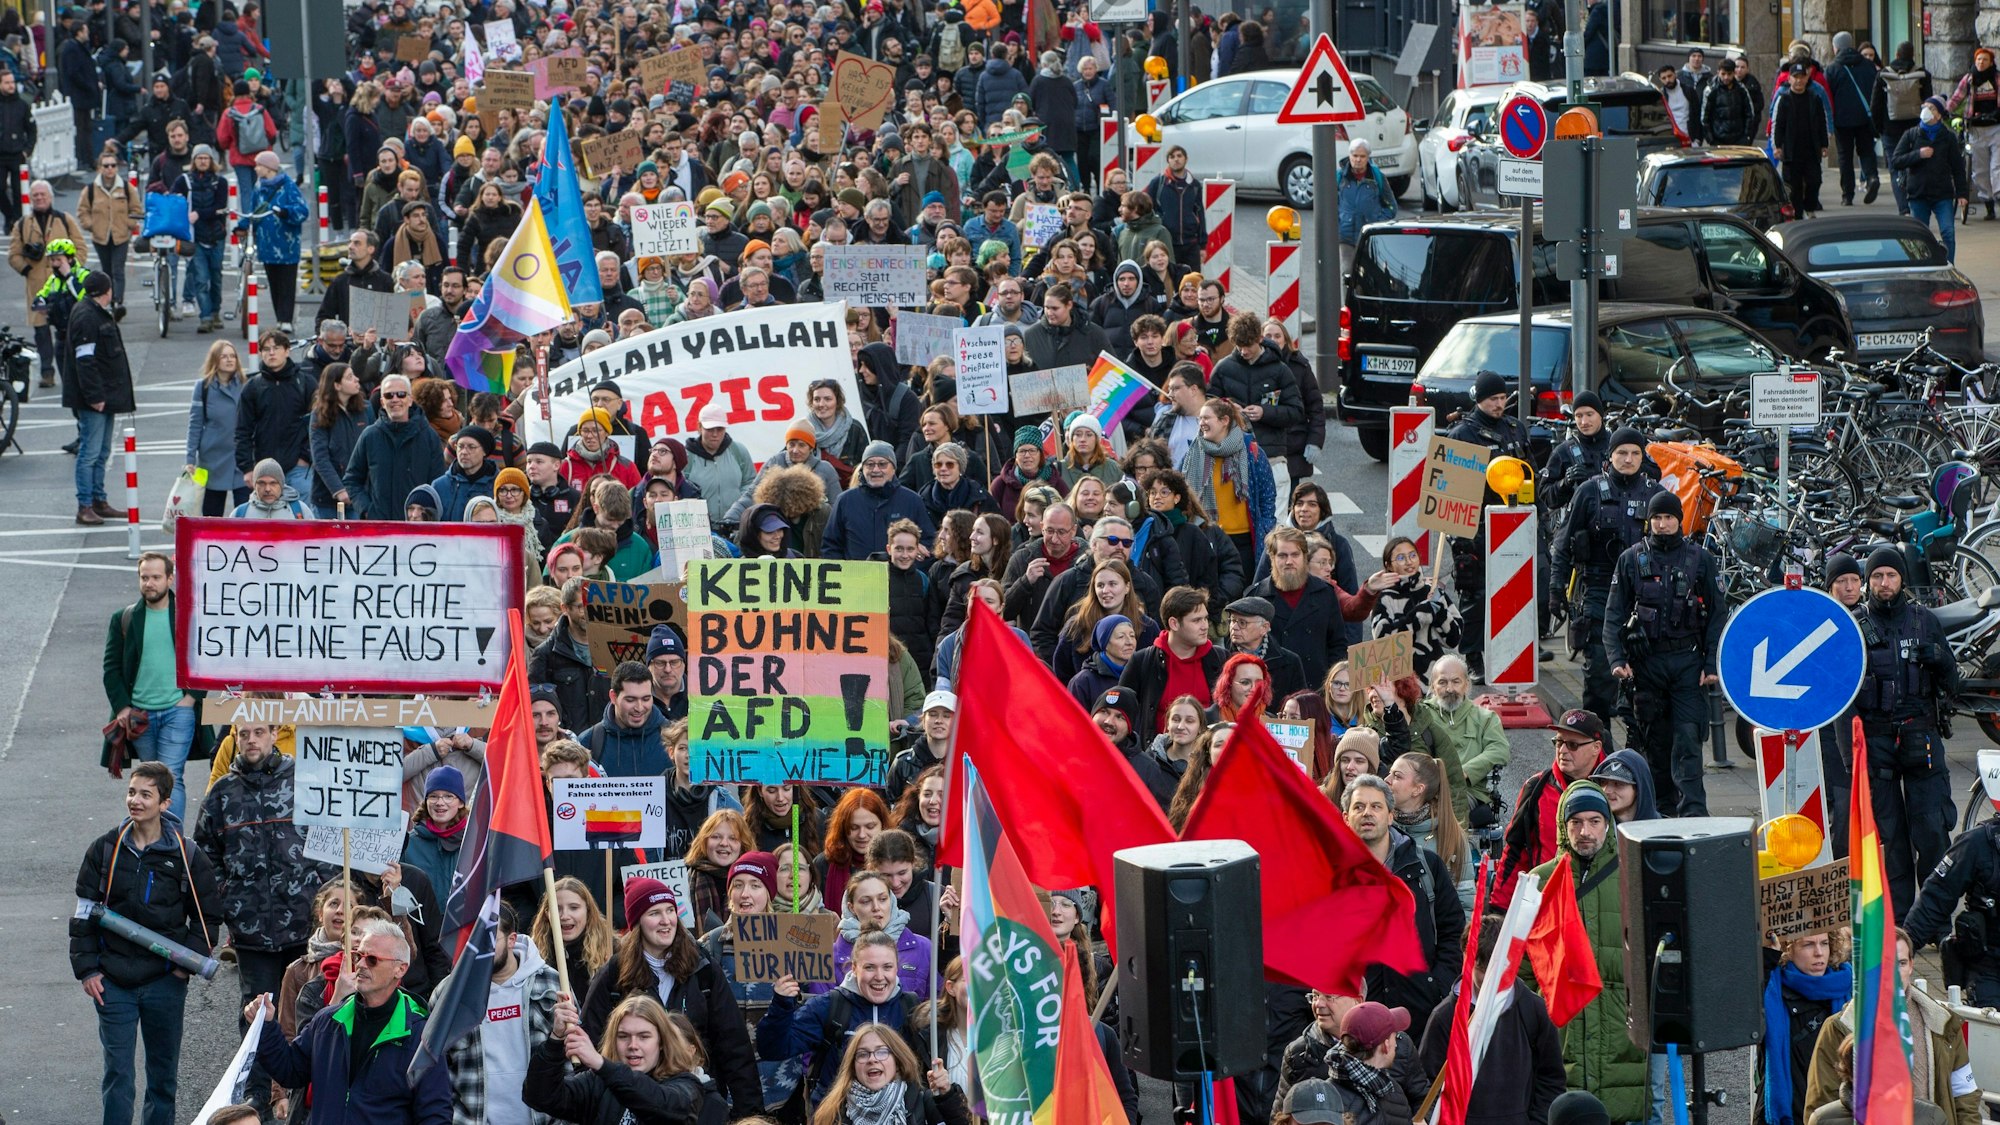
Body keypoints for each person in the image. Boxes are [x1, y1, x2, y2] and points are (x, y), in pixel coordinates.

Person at [72, 761, 221, 1125]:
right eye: (131, 792)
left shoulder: (187, 856)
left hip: (164, 983)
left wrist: (184, 967)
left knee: (163, 1079)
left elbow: (207, 917)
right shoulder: (105, 849)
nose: (134, 801)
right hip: (113, 982)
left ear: (165, 803)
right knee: (118, 1076)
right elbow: (83, 913)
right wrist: (88, 970)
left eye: (145, 794)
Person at [193, 719, 328, 1116]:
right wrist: (228, 897)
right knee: (255, 1014)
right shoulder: (222, 793)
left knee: (309, 1010)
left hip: (304, 926)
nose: (251, 741)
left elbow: (329, 839)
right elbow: (204, 855)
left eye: (258, 733)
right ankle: (256, 1099)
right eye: (243, 735)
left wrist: (319, 892)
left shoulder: (304, 780)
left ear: (273, 734)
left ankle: (305, 1092)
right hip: (252, 930)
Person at [578, 877, 763, 1115]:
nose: (666, 921)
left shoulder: (703, 967)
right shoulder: (615, 973)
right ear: (637, 923)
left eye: (670, 911)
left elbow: (734, 1046)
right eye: (654, 913)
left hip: (692, 1102)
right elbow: (591, 1041)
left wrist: (751, 1114)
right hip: (632, 1100)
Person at [1522, 780, 1646, 1122]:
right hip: (1560, 1033)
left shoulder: (1633, 877)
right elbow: (1519, 967)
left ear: (1608, 824)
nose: (1585, 831)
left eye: (1594, 821)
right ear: (1564, 826)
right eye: (1576, 822)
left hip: (1621, 1034)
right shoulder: (1539, 881)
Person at [248, 919, 453, 1122]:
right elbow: (291, 1071)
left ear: (400, 969)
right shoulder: (329, 1020)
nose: (361, 965)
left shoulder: (420, 1036)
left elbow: (434, 1115)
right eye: (358, 956)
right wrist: (266, 1026)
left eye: (372, 959)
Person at [1604, 491, 1725, 818]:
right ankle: (1659, 813)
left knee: (1688, 740)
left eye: (1669, 517)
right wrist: (1617, 659)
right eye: (1657, 518)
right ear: (1649, 520)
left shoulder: (1700, 559)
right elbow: (1614, 614)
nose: (1662, 523)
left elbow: (1717, 614)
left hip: (1687, 663)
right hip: (1646, 666)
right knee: (1654, 744)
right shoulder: (1631, 559)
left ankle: (1694, 814)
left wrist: (1711, 663)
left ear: (1679, 520)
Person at [1855, 544, 1958, 919]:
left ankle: (1934, 920)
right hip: (1876, 740)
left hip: (1921, 738)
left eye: (1891, 575)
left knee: (1932, 831)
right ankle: (1900, 923)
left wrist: (1942, 658)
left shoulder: (1924, 621)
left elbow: (1954, 683)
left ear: (1902, 579)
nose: (1885, 583)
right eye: (1877, 576)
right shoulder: (1854, 624)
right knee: (1890, 838)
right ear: (1869, 582)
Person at [1804, 927, 1979, 1125]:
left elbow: (1965, 1097)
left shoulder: (1943, 1023)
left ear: (1912, 966)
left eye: (1901, 963)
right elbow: (1821, 1104)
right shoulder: (1838, 1028)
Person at [1553, 426, 1664, 735]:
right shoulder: (1589, 491)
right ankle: (1595, 747)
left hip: (1643, 597)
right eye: (1621, 453)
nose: (1628, 459)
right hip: (1599, 591)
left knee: (1645, 686)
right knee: (1600, 677)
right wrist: (1555, 588)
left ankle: (1637, 751)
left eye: (1635, 453)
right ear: (1610, 456)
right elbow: (1563, 542)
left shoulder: (1656, 494)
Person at [1343, 774, 1463, 1043]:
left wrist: (1439, 985)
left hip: (1420, 1013)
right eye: (1359, 807)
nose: (1367, 813)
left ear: (1390, 816)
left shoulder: (1426, 866)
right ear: (1345, 817)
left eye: (1376, 807)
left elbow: (1452, 928)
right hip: (1356, 1017)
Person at [1417, 913, 1568, 1124]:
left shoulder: (1533, 1010)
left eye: (1499, 971)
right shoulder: (1444, 1018)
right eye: (1482, 971)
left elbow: (1551, 1078)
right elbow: (1426, 1086)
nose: (1492, 981)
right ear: (1467, 960)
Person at [756, 930, 926, 1103]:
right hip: (836, 1114)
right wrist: (781, 1004)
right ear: (854, 968)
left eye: (887, 967)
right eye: (869, 967)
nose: (879, 977)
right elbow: (773, 1048)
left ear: (897, 967)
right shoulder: (829, 1006)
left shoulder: (910, 1007)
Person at [434, 901, 562, 1125]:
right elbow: (436, 1066)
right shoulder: (449, 993)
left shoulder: (551, 981)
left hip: (543, 1118)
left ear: (512, 939)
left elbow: (573, 1054)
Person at [102, 552, 209, 819]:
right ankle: (150, 838)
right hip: (141, 715)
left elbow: (206, 655)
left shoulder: (189, 613)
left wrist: (191, 698)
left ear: (170, 579)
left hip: (179, 710)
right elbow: (111, 668)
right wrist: (122, 707)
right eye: (144, 577)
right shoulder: (124, 618)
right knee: (150, 781)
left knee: (172, 776)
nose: (149, 583)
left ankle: (172, 844)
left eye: (156, 578)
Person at [1447, 371, 1532, 679]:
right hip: (1477, 526)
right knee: (1476, 593)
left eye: (1502, 398)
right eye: (1493, 399)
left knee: (1517, 589)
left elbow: (1529, 471)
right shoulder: (1463, 435)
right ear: (1479, 400)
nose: (1499, 404)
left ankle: (1516, 648)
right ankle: (1473, 657)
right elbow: (1453, 493)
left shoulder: (1515, 428)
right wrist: (1461, 540)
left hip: (1514, 523)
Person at [524, 993, 717, 1125]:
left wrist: (602, 1064)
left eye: (644, 1036)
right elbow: (540, 1096)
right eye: (623, 1036)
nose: (633, 1045)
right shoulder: (598, 1083)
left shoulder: (686, 1084)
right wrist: (556, 1040)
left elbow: (661, 1104)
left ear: (661, 1042)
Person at [1755, 929, 1853, 1125]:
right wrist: (1767, 959)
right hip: (1791, 1111)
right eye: (1808, 944)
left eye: (1824, 943)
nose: (1819, 953)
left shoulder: (1849, 984)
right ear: (1787, 950)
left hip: (1837, 1113)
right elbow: (1744, 1013)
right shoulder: (1772, 988)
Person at [11, 178, 87, 387]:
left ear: (50, 197)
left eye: (43, 195)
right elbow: (14, 254)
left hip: (64, 289)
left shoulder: (64, 219)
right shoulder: (23, 224)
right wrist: (26, 269)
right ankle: (47, 372)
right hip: (37, 285)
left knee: (67, 329)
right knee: (41, 331)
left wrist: (71, 269)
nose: (39, 198)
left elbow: (81, 247)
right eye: (35, 195)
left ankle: (70, 369)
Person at [67, 271, 129, 525]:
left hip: (106, 394)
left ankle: (98, 500)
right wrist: (94, 396)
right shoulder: (87, 316)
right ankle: (85, 505)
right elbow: (85, 361)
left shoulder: (93, 312)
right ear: (107, 291)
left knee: (102, 451)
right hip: (95, 398)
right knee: (90, 453)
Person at [342, 374, 448, 519]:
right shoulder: (370, 435)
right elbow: (352, 479)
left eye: (401, 394)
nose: (395, 399)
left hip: (417, 528)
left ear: (410, 400)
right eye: (389, 395)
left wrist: (425, 514)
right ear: (382, 402)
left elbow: (438, 484)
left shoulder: (429, 436)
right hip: (379, 528)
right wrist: (367, 510)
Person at [822, 440, 937, 560]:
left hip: (898, 576)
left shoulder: (912, 501)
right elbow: (831, 545)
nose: (876, 470)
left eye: (882, 464)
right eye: (870, 464)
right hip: (855, 576)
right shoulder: (845, 501)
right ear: (863, 469)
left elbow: (929, 542)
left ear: (893, 468)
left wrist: (912, 559)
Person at [1369, 537, 1462, 680]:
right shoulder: (1384, 598)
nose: (1409, 562)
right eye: (1401, 558)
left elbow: (1454, 639)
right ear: (1389, 565)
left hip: (1434, 683)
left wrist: (1439, 611)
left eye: (1413, 555)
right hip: (1399, 685)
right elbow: (1382, 642)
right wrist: (1419, 616)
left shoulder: (1432, 591)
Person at [239, 149, 309, 331]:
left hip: (287, 245)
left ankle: (286, 319)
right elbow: (253, 210)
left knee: (287, 282)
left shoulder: (288, 186)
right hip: (266, 245)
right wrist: (242, 224)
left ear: (268, 168)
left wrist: (285, 212)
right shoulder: (258, 187)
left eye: (258, 165)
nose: (255, 169)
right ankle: (280, 317)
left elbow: (302, 211)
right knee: (274, 282)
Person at [1894, 96, 1969, 261]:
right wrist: (1918, 155)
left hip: (1942, 195)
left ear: (1939, 115)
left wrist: (1962, 193)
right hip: (1918, 194)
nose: (1926, 111)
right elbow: (1896, 161)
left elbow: (1958, 168)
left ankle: (1949, 266)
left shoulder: (1948, 138)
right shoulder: (1911, 135)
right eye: (1925, 107)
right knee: (1919, 236)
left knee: (1948, 232)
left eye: (1932, 108)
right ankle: (1922, 266)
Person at [580, 662, 671, 778]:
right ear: (613, 697)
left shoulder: (673, 738)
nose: (639, 707)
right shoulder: (587, 742)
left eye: (646, 699)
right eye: (630, 700)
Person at [76, 151, 139, 314]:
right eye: (106, 166)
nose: (110, 169)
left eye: (113, 165)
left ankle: (118, 302)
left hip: (121, 236)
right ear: (100, 168)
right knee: (106, 270)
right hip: (100, 237)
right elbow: (82, 210)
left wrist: (129, 224)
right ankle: (107, 302)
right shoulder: (90, 189)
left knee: (118, 269)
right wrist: (91, 225)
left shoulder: (126, 187)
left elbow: (136, 209)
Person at [1877, 43, 1936, 215]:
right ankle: (1918, 204)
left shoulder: (1883, 75)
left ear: (1896, 54)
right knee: (1916, 164)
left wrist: (1880, 128)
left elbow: (1876, 105)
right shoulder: (1923, 75)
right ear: (1913, 55)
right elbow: (1928, 102)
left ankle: (1904, 208)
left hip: (1891, 129)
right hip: (1915, 127)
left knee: (1896, 168)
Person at [1775, 62, 1832, 218]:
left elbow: (1821, 122)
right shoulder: (1784, 99)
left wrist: (1824, 144)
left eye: (1802, 77)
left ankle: (1810, 206)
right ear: (1790, 79)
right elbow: (1779, 124)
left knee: (1815, 181)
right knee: (1793, 186)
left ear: (1807, 78)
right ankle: (1798, 215)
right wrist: (1778, 146)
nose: (1799, 81)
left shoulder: (1815, 98)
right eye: (1795, 77)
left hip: (1811, 149)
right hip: (1791, 151)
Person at [1951, 48, 2000, 219]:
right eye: (1979, 59)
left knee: (1996, 167)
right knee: (1980, 170)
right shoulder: (1969, 78)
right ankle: (1988, 204)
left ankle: (1998, 195)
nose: (1981, 62)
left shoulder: (1997, 78)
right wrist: (1945, 111)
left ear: (1991, 62)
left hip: (1996, 127)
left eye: (1985, 59)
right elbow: (1957, 98)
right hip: (1976, 129)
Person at [1336, 141, 1396, 273]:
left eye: (1362, 156)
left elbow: (1391, 207)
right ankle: (1348, 294)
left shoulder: (1377, 177)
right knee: (1347, 271)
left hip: (1370, 236)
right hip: (1346, 237)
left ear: (1368, 158)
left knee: (1369, 274)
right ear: (1349, 155)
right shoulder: (1340, 177)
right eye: (1355, 155)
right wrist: (1339, 223)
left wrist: (1377, 221)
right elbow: (1330, 205)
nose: (1358, 160)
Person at [1704, 58, 1758, 145]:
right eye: (1723, 74)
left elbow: (1749, 114)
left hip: (1739, 139)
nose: (1726, 77)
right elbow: (1705, 117)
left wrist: (1746, 136)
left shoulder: (1741, 89)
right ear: (1718, 73)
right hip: (1718, 139)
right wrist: (1711, 139)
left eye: (1729, 74)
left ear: (1734, 73)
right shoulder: (1710, 90)